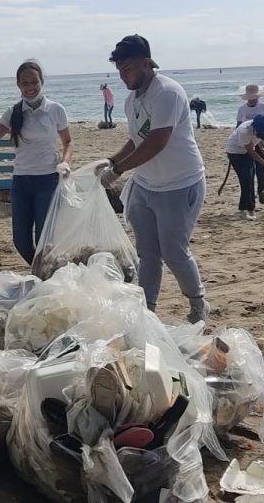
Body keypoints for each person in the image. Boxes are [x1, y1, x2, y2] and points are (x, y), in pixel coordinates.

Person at [96, 34, 209, 323]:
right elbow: (136, 141)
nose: (124, 76)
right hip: (146, 185)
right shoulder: (132, 99)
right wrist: (111, 160)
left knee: (173, 251)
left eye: (129, 69)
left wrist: (119, 171)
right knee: (147, 252)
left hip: (179, 183)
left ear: (146, 63)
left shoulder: (167, 93)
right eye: (120, 70)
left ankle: (198, 304)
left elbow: (157, 141)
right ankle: (147, 311)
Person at [0, 60, 73, 264]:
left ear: (42, 82)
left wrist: (65, 163)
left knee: (44, 240)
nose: (30, 87)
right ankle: (44, 273)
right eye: (25, 83)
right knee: (21, 241)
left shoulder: (56, 110)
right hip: (21, 183)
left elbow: (68, 141)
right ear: (18, 85)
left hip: (48, 181)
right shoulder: (13, 112)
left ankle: (45, 278)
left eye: (34, 82)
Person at [226, 115, 264, 220]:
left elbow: (262, 147)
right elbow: (252, 152)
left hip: (247, 150)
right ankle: (243, 209)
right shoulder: (245, 131)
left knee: (251, 178)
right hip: (235, 152)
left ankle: (251, 208)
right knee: (245, 179)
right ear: (255, 129)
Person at [236, 84, 264, 204]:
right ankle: (251, 195)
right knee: (249, 168)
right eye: (250, 97)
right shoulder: (242, 109)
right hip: (246, 140)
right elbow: (238, 125)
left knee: (261, 167)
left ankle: (261, 190)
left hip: (260, 140)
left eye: (255, 97)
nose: (253, 99)